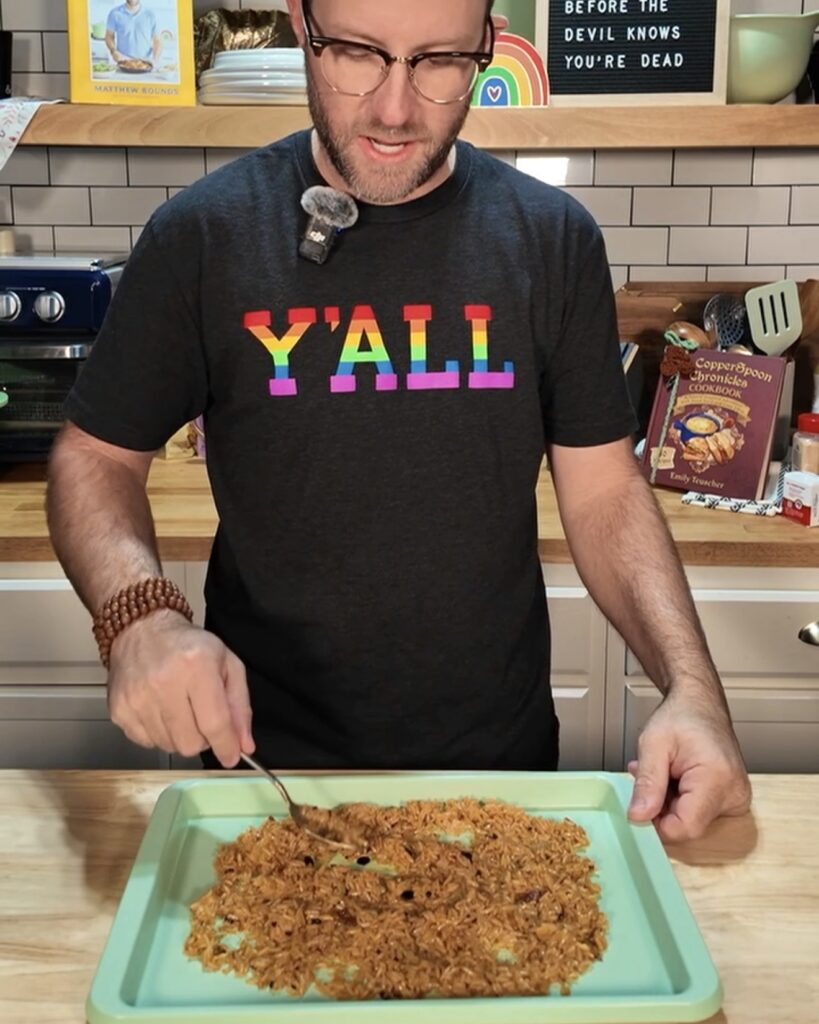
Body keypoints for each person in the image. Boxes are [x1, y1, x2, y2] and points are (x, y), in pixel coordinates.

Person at [47, 0, 751, 843]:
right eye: (355, 53)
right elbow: (95, 458)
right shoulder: (201, 239)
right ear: (299, 27)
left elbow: (603, 490)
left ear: (487, 48)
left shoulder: (551, 240)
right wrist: (141, 617)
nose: (392, 108)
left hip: (499, 773)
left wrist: (693, 690)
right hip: (267, 775)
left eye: (439, 61)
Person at [105, 0, 161, 66]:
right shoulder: (114, 13)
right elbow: (109, 35)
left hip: (145, 63)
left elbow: (157, 40)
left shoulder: (150, 15)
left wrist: (155, 59)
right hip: (123, 62)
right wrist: (113, 51)